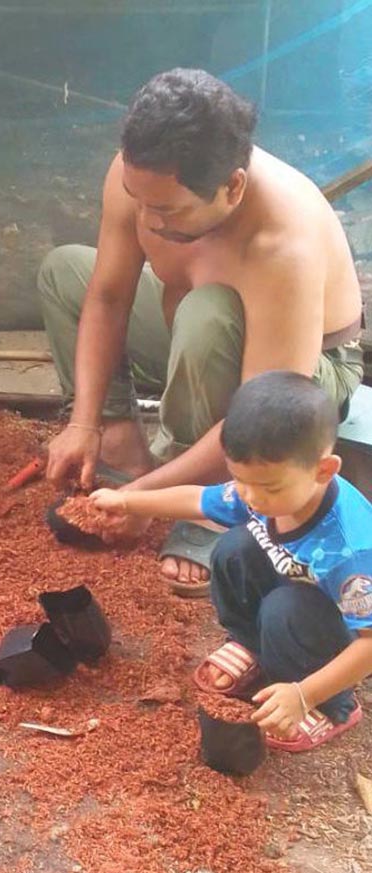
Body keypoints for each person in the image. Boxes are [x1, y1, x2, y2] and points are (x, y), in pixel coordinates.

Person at [38, 68, 364, 597]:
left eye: (166, 209)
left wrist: (141, 499)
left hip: (299, 380)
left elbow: (262, 412)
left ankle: (212, 503)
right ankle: (122, 446)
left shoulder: (281, 241)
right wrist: (86, 423)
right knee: (66, 272)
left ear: (232, 186)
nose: (145, 217)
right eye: (136, 198)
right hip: (193, 329)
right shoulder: (140, 175)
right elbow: (108, 297)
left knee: (207, 315)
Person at [90, 371, 371, 752]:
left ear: (324, 471)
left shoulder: (350, 550)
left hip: (337, 623)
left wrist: (303, 694)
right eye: (239, 480)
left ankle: (332, 705)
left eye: (268, 487)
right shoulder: (261, 487)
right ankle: (253, 645)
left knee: (284, 609)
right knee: (234, 546)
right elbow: (197, 500)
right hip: (298, 585)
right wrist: (128, 500)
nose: (250, 497)